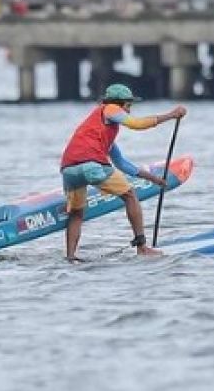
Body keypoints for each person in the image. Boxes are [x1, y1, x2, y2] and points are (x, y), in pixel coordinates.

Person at [60, 84, 187, 261]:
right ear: (118, 103)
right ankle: (142, 247)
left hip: (69, 170)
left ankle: (71, 257)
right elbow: (137, 124)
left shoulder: (100, 133)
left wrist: (155, 179)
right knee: (130, 196)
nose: (128, 110)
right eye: (128, 106)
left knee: (77, 213)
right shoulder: (109, 108)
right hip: (92, 166)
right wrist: (171, 115)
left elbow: (122, 164)